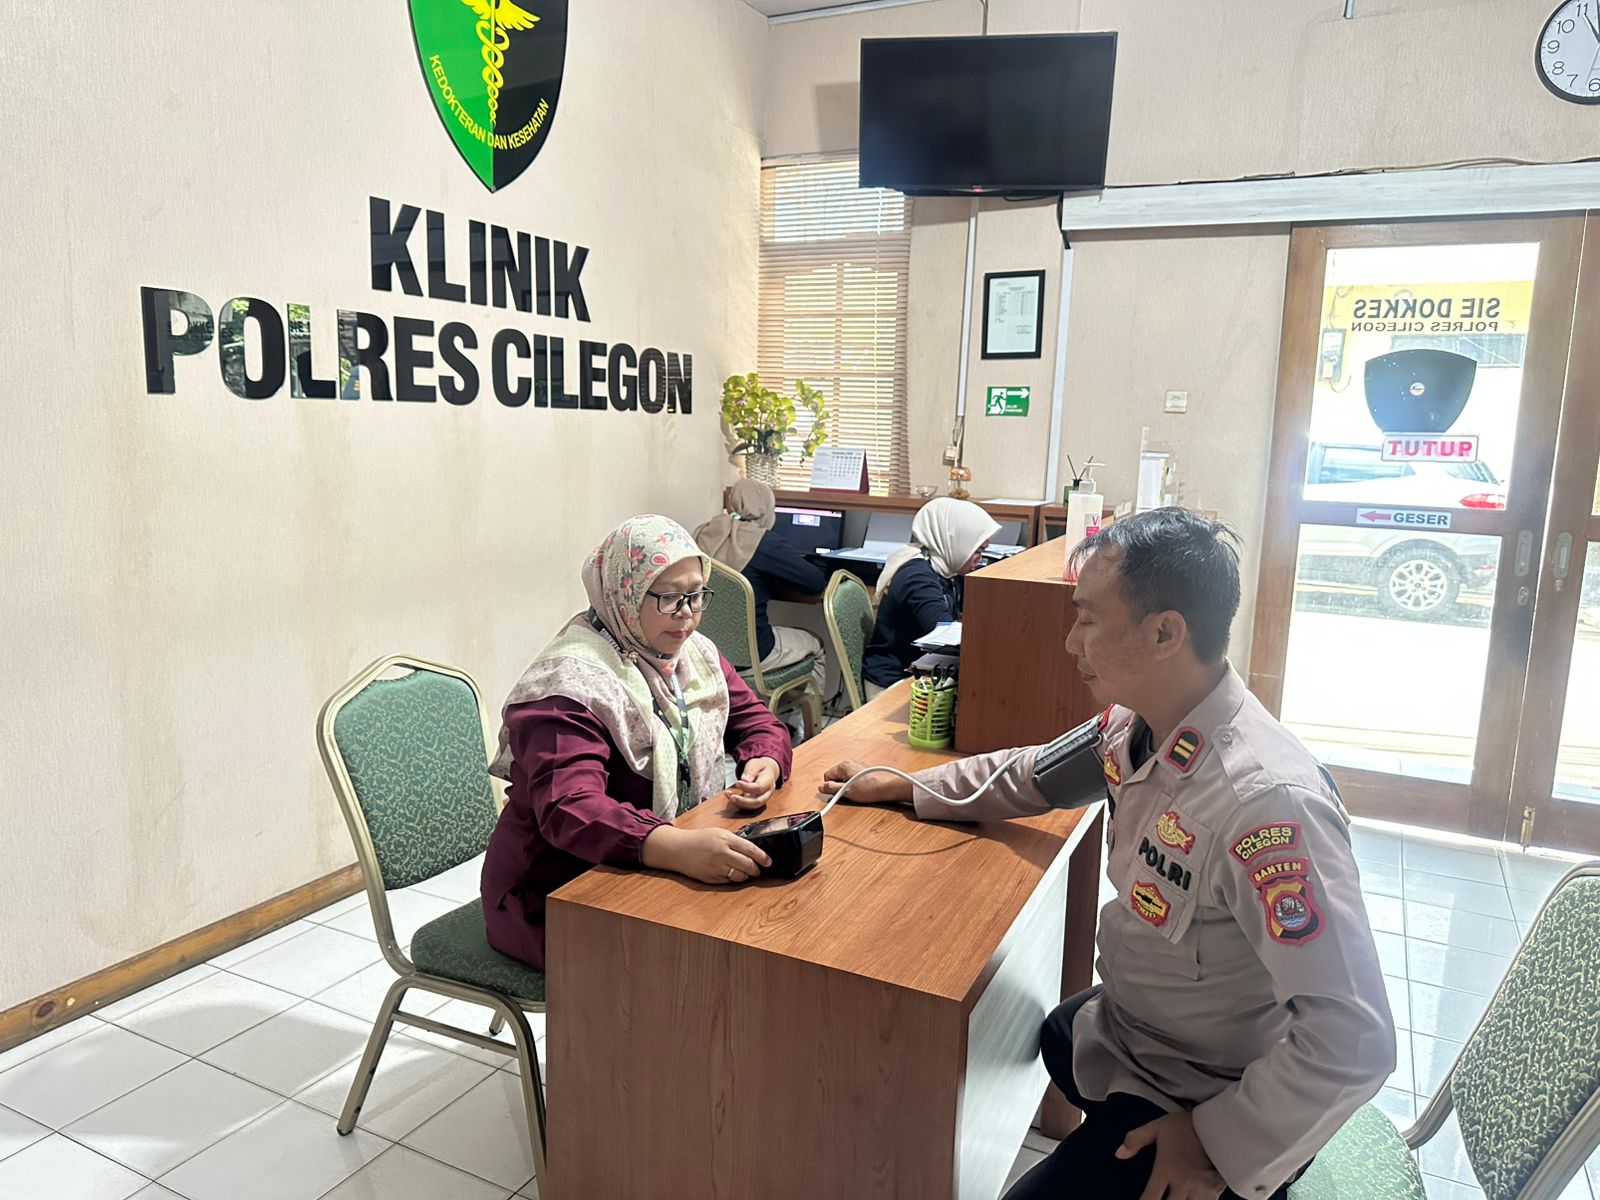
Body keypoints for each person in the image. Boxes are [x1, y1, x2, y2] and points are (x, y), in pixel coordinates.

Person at [821, 508, 1395, 1200]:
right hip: (1141, 1036)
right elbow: (1031, 774)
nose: (1070, 642)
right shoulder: (1135, 724)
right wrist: (907, 786)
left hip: (1206, 1096)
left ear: (1165, 633)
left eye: (1088, 620)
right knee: (1058, 1033)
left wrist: (1214, 1142)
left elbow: (1354, 1038)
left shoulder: (1269, 803)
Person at [480, 515, 794, 971]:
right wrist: (674, 847)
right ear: (623, 594)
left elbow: (757, 721)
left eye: (696, 595)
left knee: (756, 935)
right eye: (668, 597)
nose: (686, 613)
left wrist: (764, 760)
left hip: (646, 860)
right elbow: (571, 807)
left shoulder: (691, 655)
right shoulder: (568, 686)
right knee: (694, 970)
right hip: (553, 892)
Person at [694, 479, 829, 705]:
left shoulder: (704, 533)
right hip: (755, 654)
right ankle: (800, 721)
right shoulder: (764, 541)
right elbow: (814, 583)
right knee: (815, 644)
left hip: (705, 652)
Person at [861, 496, 998, 697]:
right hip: (892, 682)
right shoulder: (917, 577)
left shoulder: (948, 570)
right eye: (978, 550)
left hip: (918, 671)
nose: (980, 559)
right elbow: (944, 634)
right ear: (955, 542)